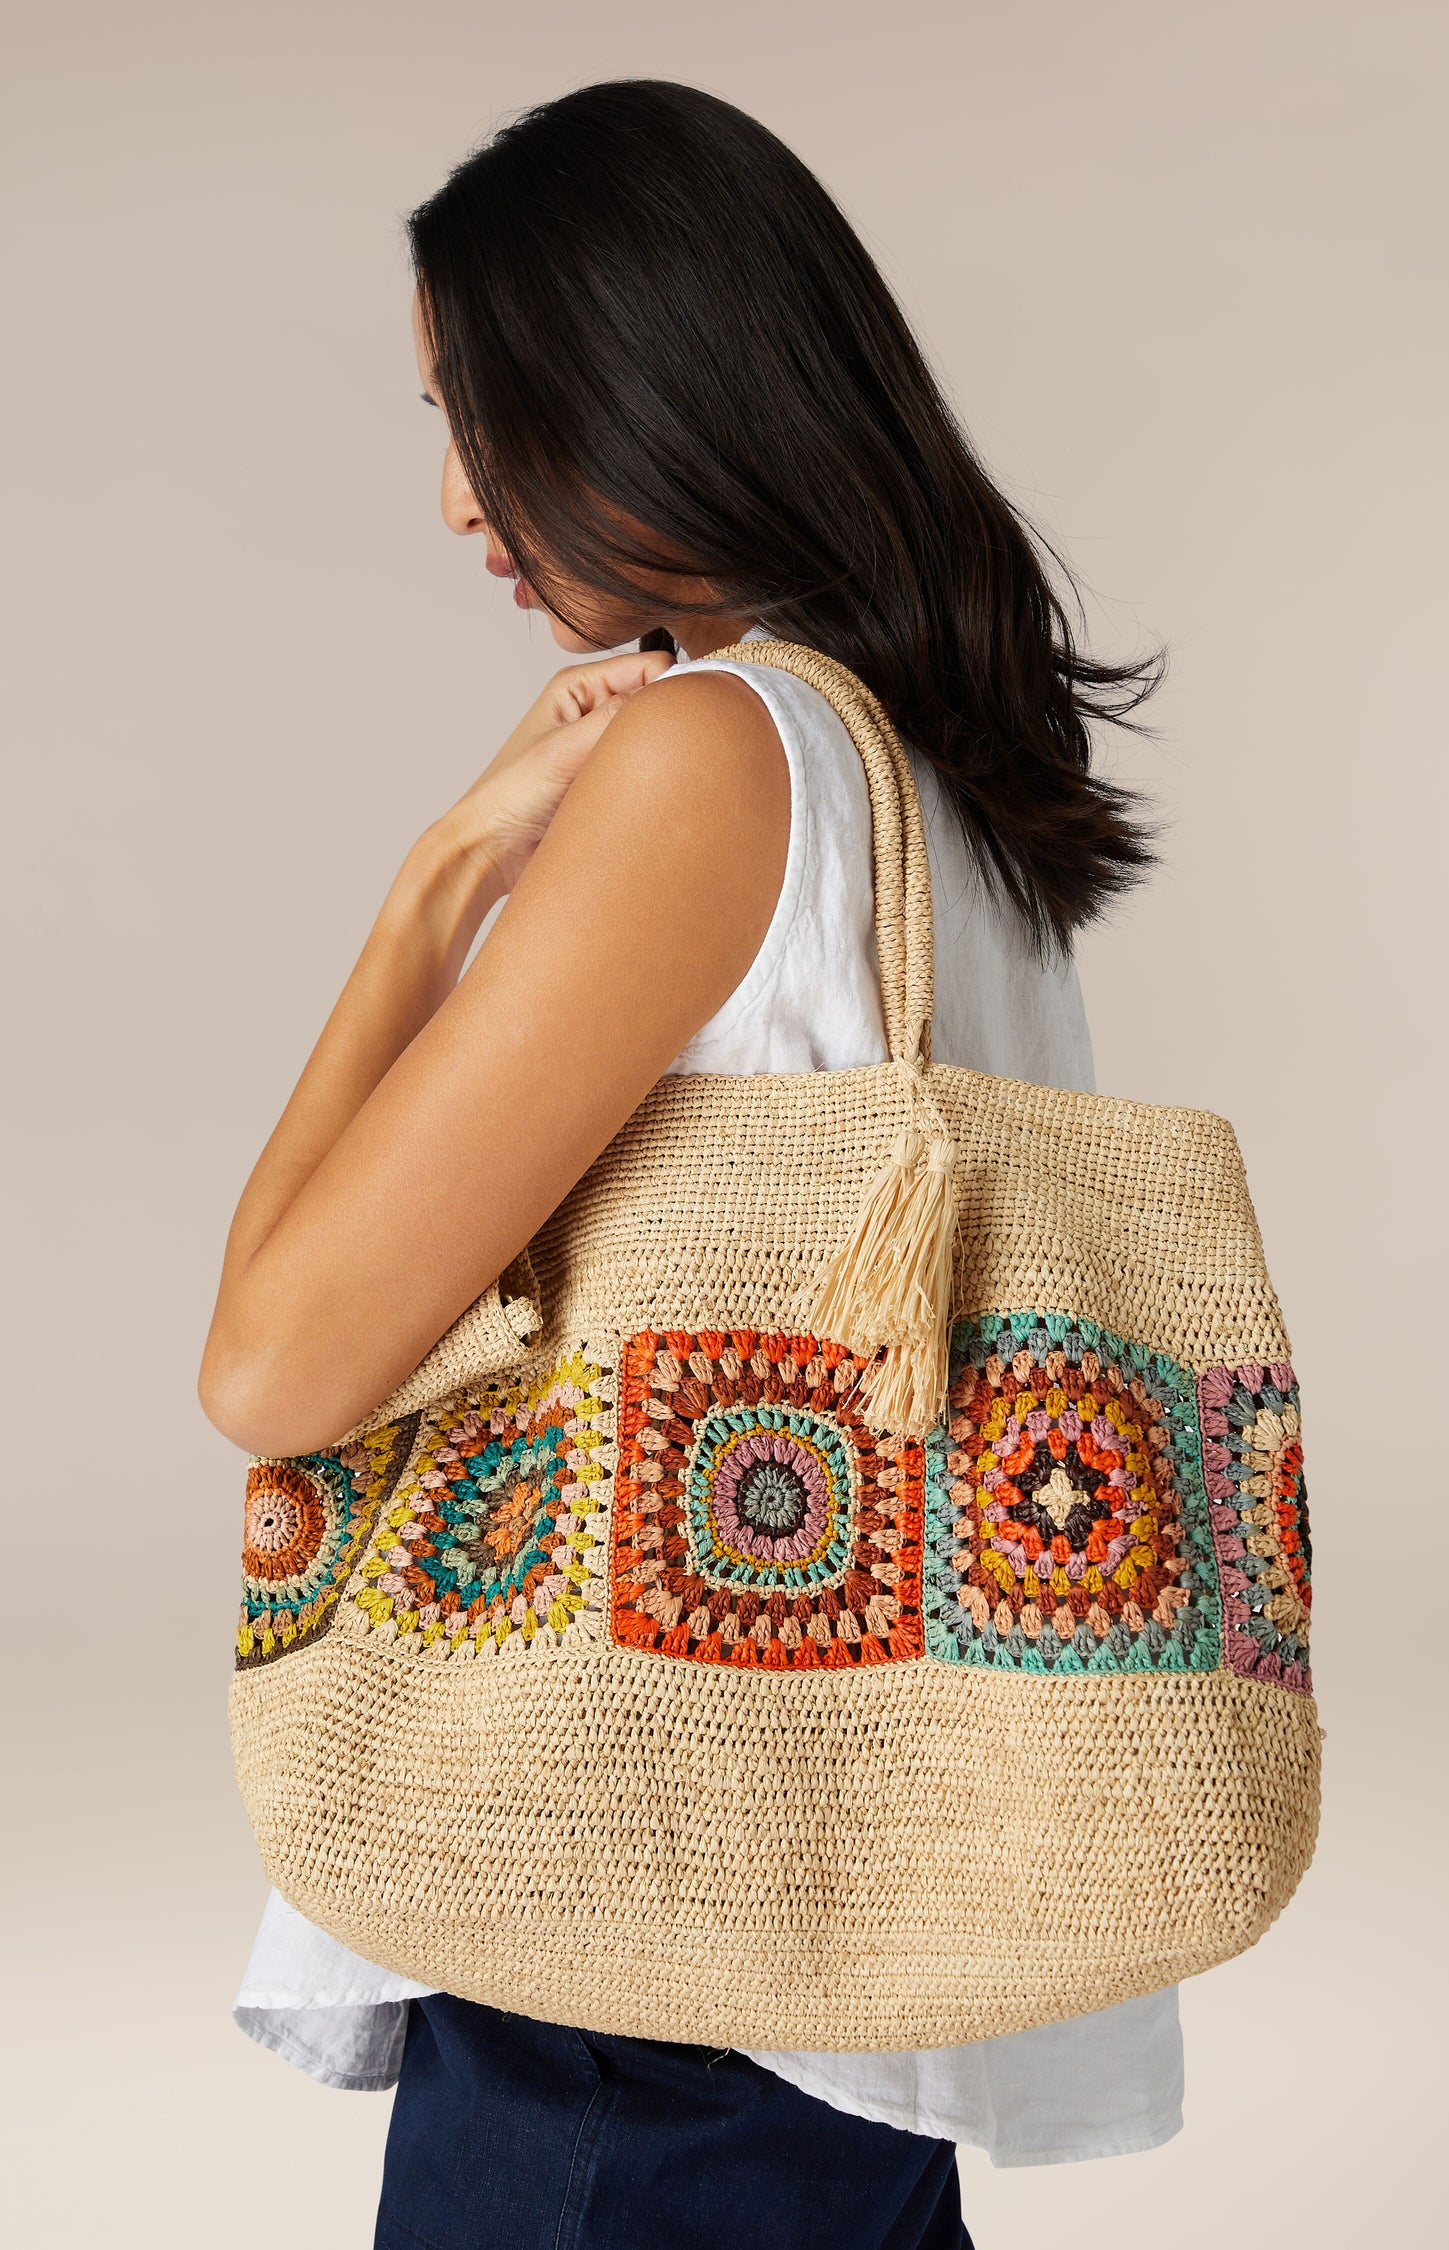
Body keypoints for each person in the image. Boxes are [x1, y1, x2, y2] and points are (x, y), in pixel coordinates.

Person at [202, 78, 1180, 2250]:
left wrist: (426, 892)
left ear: (635, 385)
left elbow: (275, 1363)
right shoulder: (942, 777)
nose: (458, 501)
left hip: (633, 1975)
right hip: (851, 1960)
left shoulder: (714, 758)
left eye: (477, 411)